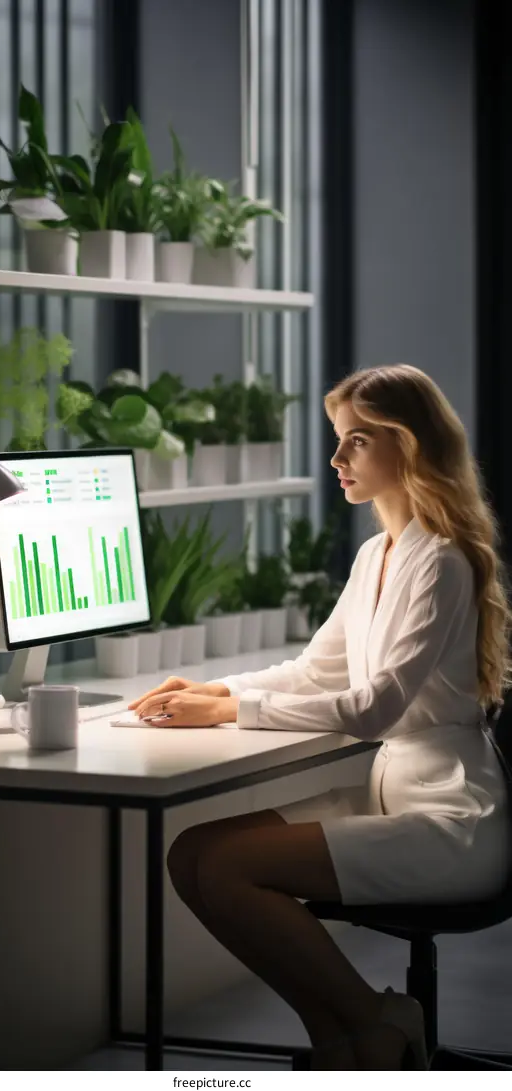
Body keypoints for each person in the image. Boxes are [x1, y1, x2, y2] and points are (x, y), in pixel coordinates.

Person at [128, 364, 512, 1070]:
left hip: (449, 816)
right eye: (339, 439)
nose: (337, 458)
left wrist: (228, 709)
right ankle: (342, 1038)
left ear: (410, 445)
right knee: (190, 855)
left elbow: (374, 708)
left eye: (357, 440)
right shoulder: (375, 555)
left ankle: (379, 1019)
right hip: (389, 792)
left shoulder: (442, 562)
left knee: (227, 868)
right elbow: (315, 670)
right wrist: (213, 688)